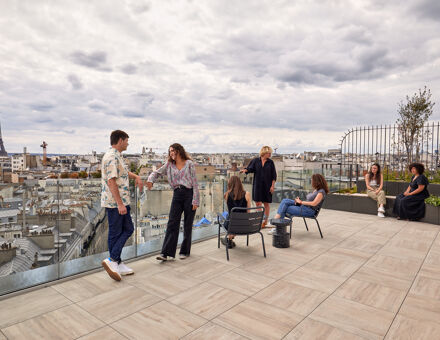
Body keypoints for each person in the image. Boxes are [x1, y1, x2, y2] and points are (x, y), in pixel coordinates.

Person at [101, 130, 143, 281]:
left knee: (124, 230)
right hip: (116, 203)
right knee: (119, 231)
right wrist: (119, 204)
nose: (128, 143)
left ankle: (116, 262)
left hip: (121, 201)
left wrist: (136, 176)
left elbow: (123, 173)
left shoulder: (116, 156)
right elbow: (112, 181)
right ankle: (113, 260)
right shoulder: (112, 157)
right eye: (126, 140)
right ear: (120, 140)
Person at [147, 143, 199, 261]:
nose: (172, 153)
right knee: (172, 222)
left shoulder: (189, 164)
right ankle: (165, 253)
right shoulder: (169, 165)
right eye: (170, 151)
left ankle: (185, 251)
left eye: (173, 150)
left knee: (187, 224)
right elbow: (157, 172)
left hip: (189, 194)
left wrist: (196, 200)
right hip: (177, 194)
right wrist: (150, 180)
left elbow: (195, 183)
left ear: (179, 151)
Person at [240, 146, 276, 228]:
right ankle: (260, 220)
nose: (270, 154)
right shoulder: (255, 161)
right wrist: (245, 170)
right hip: (257, 185)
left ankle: (266, 221)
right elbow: (250, 169)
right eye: (269, 153)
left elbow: (274, 175)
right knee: (258, 203)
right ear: (264, 153)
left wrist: (272, 186)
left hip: (267, 186)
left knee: (266, 203)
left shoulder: (270, 162)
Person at [221, 175, 251, 249]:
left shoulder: (227, 194)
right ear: (240, 183)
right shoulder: (247, 194)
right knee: (237, 220)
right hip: (244, 225)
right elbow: (248, 211)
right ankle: (229, 239)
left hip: (231, 225)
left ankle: (229, 240)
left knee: (230, 217)